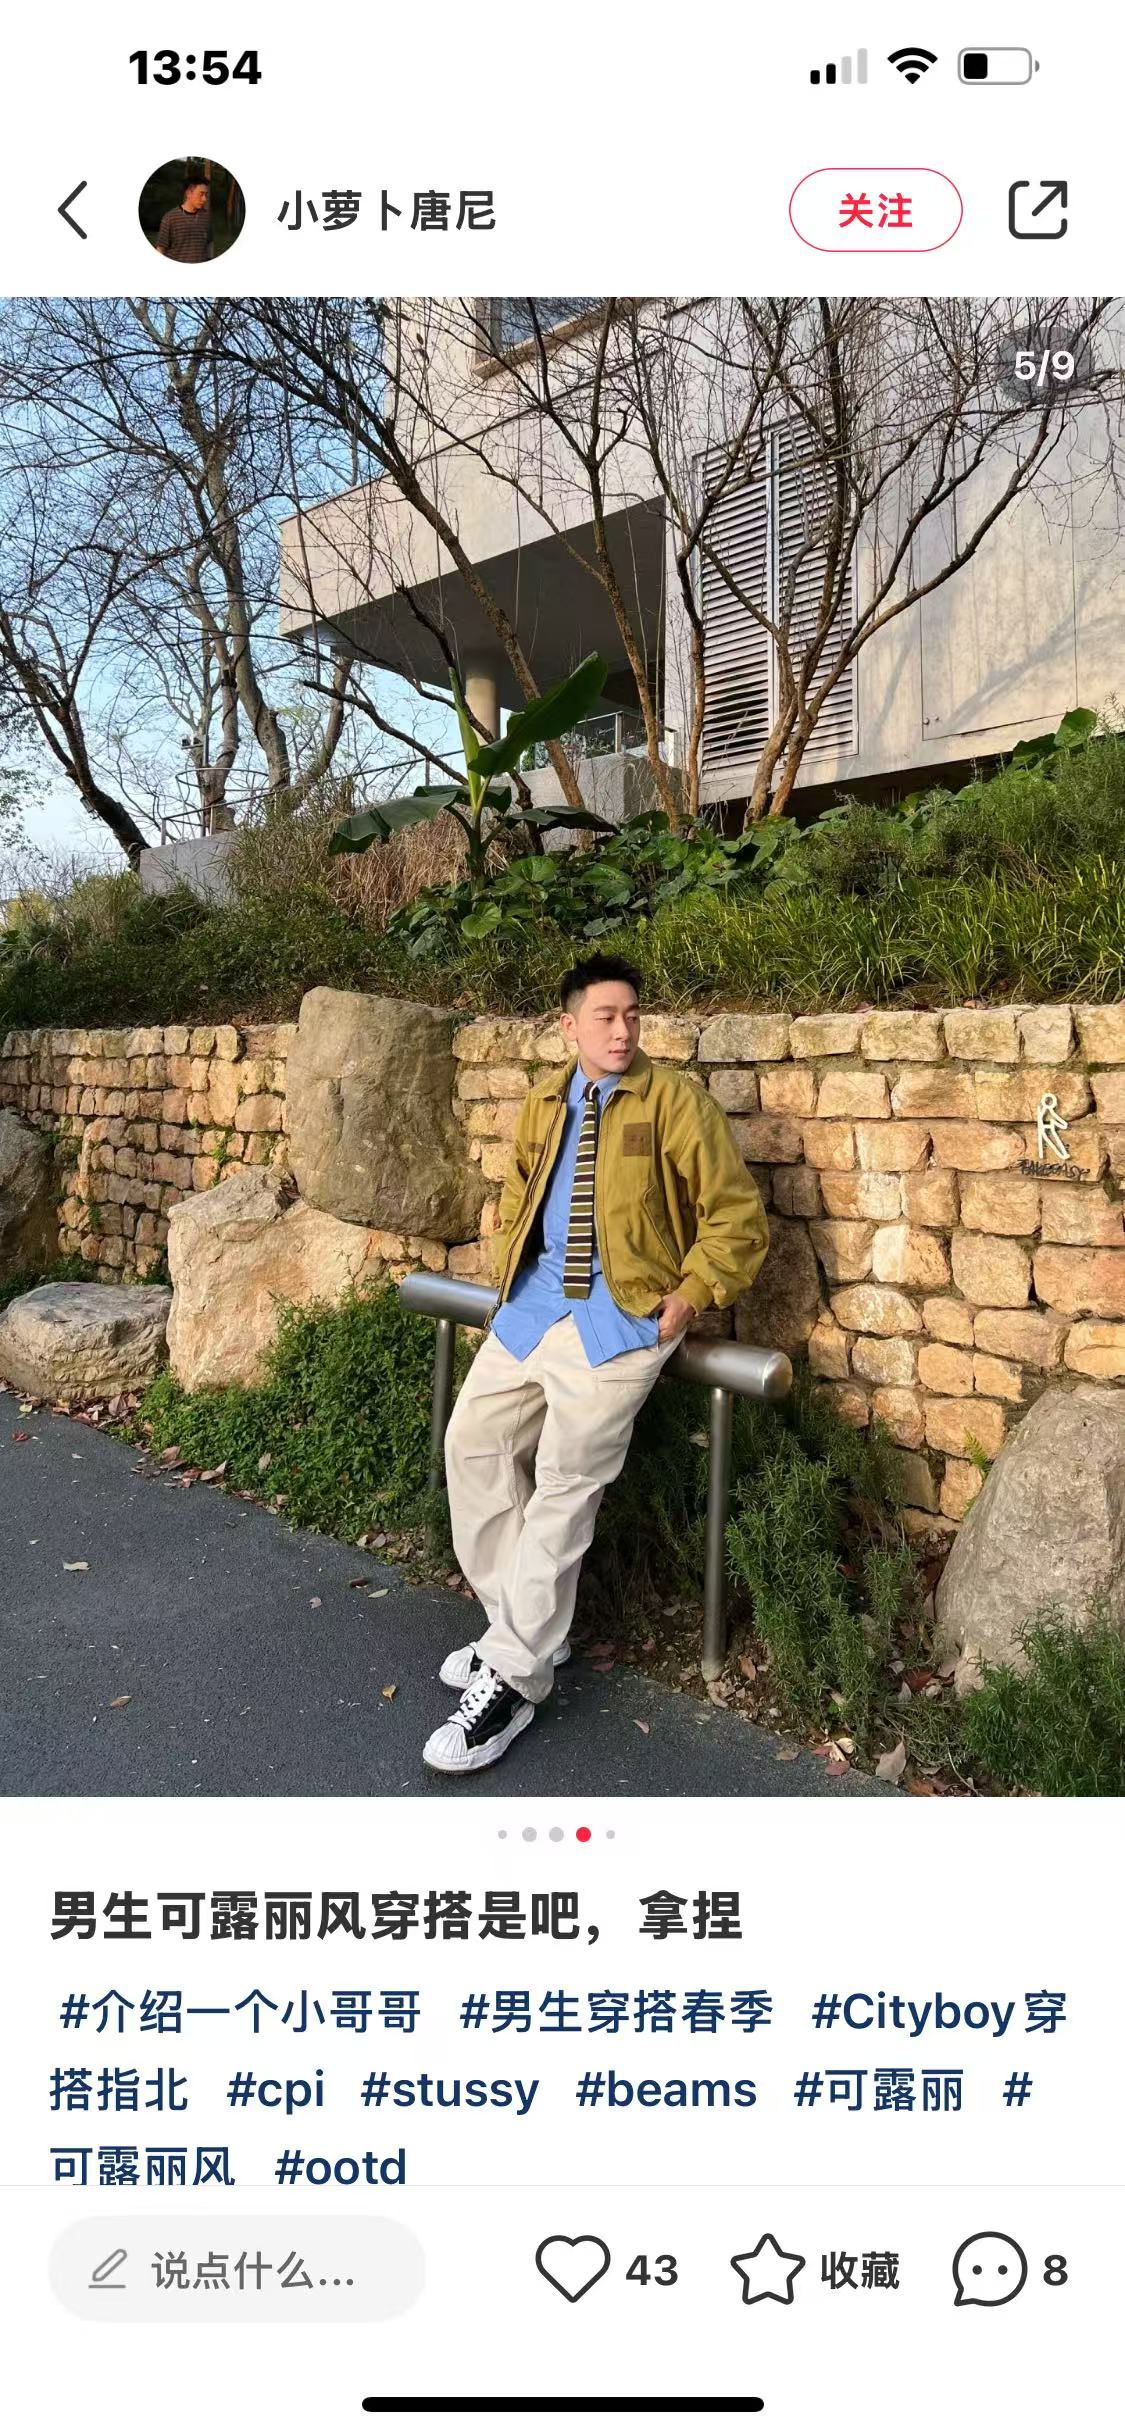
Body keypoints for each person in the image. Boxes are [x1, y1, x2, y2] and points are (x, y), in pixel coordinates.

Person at [423, 953, 770, 1774]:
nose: (622, 1030)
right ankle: (524, 1632)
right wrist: (509, 1274)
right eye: (606, 1017)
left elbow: (735, 1216)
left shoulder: (674, 1101)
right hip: (532, 1309)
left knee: (563, 1480)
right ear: (568, 1024)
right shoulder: (546, 1101)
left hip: (622, 1319)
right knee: (470, 1447)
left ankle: (513, 1678)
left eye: (632, 1015)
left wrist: (690, 1294)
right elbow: (520, 1194)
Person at [155, 177, 213, 264]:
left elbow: (208, 244)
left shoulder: (206, 217)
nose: (204, 199)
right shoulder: (170, 218)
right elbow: (161, 248)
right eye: (201, 194)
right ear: (188, 194)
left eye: (206, 195)